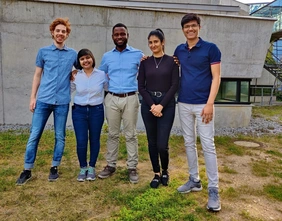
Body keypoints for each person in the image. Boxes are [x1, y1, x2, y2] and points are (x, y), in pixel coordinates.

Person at [16, 18, 77, 185]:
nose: (60, 34)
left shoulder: (73, 54)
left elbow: (83, 66)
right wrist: (32, 98)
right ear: (52, 32)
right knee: (34, 135)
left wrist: (74, 74)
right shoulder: (43, 52)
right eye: (57, 31)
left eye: (63, 31)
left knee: (60, 136)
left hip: (62, 102)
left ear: (67, 34)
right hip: (43, 100)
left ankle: (54, 167)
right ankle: (27, 170)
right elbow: (37, 75)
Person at [174, 13, 221, 211]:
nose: (190, 29)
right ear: (183, 29)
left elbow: (216, 77)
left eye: (193, 26)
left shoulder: (211, 48)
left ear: (199, 27)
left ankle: (214, 189)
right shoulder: (179, 50)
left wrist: (210, 103)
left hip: (204, 104)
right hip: (183, 103)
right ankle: (194, 179)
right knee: (188, 142)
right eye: (187, 27)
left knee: (208, 145)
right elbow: (172, 66)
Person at [98, 23, 143, 183]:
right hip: (111, 98)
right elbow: (100, 75)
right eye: (116, 34)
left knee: (131, 134)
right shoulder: (107, 57)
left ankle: (132, 167)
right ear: (112, 37)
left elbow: (150, 68)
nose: (119, 37)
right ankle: (110, 165)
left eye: (122, 34)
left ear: (127, 35)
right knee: (112, 134)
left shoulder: (138, 54)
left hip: (130, 98)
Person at [138, 29, 179, 188]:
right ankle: (156, 172)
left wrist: (161, 105)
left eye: (156, 41)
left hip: (166, 104)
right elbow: (141, 86)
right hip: (148, 104)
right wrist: (152, 105)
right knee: (152, 142)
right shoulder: (145, 62)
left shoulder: (172, 62)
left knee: (162, 143)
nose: (153, 45)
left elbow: (175, 85)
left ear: (163, 42)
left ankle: (165, 170)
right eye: (150, 42)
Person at [71, 49, 108, 182]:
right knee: (81, 141)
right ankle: (83, 168)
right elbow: (68, 90)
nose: (85, 61)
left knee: (94, 139)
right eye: (82, 59)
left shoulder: (101, 74)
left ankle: (91, 167)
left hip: (96, 111)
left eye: (87, 58)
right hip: (79, 111)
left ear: (92, 58)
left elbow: (108, 89)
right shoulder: (75, 76)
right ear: (79, 62)